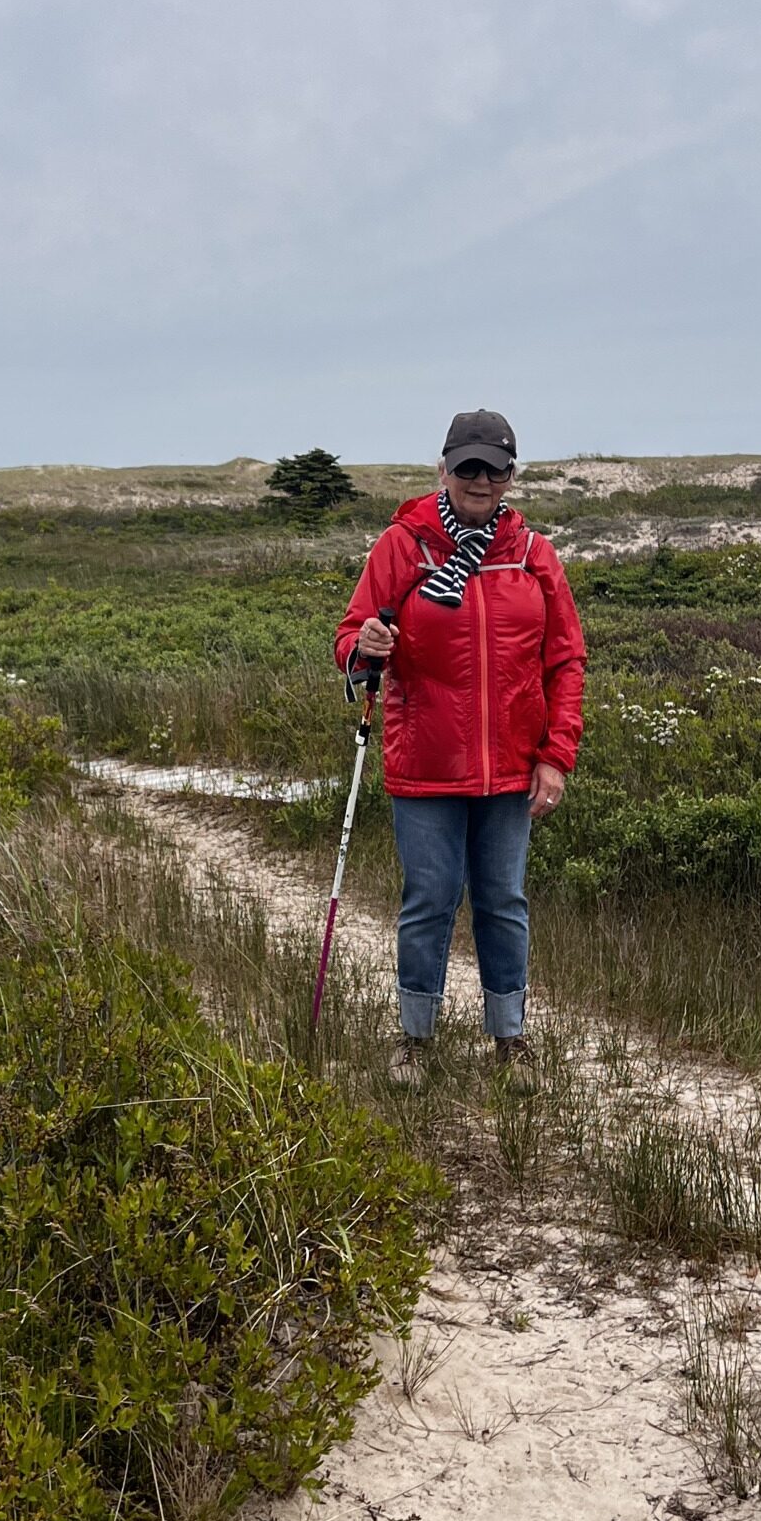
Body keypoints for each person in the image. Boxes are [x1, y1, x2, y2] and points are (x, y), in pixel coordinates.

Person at [334, 409, 586, 1087]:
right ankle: (413, 1040)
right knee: (430, 900)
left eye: (494, 467)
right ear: (443, 470)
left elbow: (566, 661)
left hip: (512, 768)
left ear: (510, 476)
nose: (481, 478)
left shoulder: (534, 555)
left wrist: (556, 755)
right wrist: (365, 647)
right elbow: (351, 635)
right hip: (425, 765)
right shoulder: (402, 546)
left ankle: (511, 1041)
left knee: (503, 900)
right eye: (468, 466)